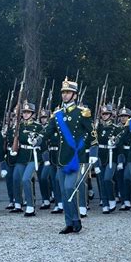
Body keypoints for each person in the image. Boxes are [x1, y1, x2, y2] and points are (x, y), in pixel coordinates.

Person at [40, 77, 98, 234]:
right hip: (62, 158)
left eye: (68, 92)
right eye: (64, 92)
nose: (65, 95)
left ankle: (77, 219)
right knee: (64, 191)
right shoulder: (57, 114)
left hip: (76, 157)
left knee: (69, 188)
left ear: (75, 95)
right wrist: (38, 139)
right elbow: (48, 131)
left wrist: (93, 152)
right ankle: (69, 222)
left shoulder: (82, 113)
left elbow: (92, 133)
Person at [10, 101, 43, 217]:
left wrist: (35, 142)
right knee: (15, 178)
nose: (25, 114)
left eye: (28, 112)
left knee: (26, 179)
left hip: (33, 156)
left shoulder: (38, 127)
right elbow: (12, 137)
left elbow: (42, 142)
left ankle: (30, 205)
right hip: (21, 155)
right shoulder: (19, 126)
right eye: (24, 112)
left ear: (32, 114)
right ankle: (18, 204)